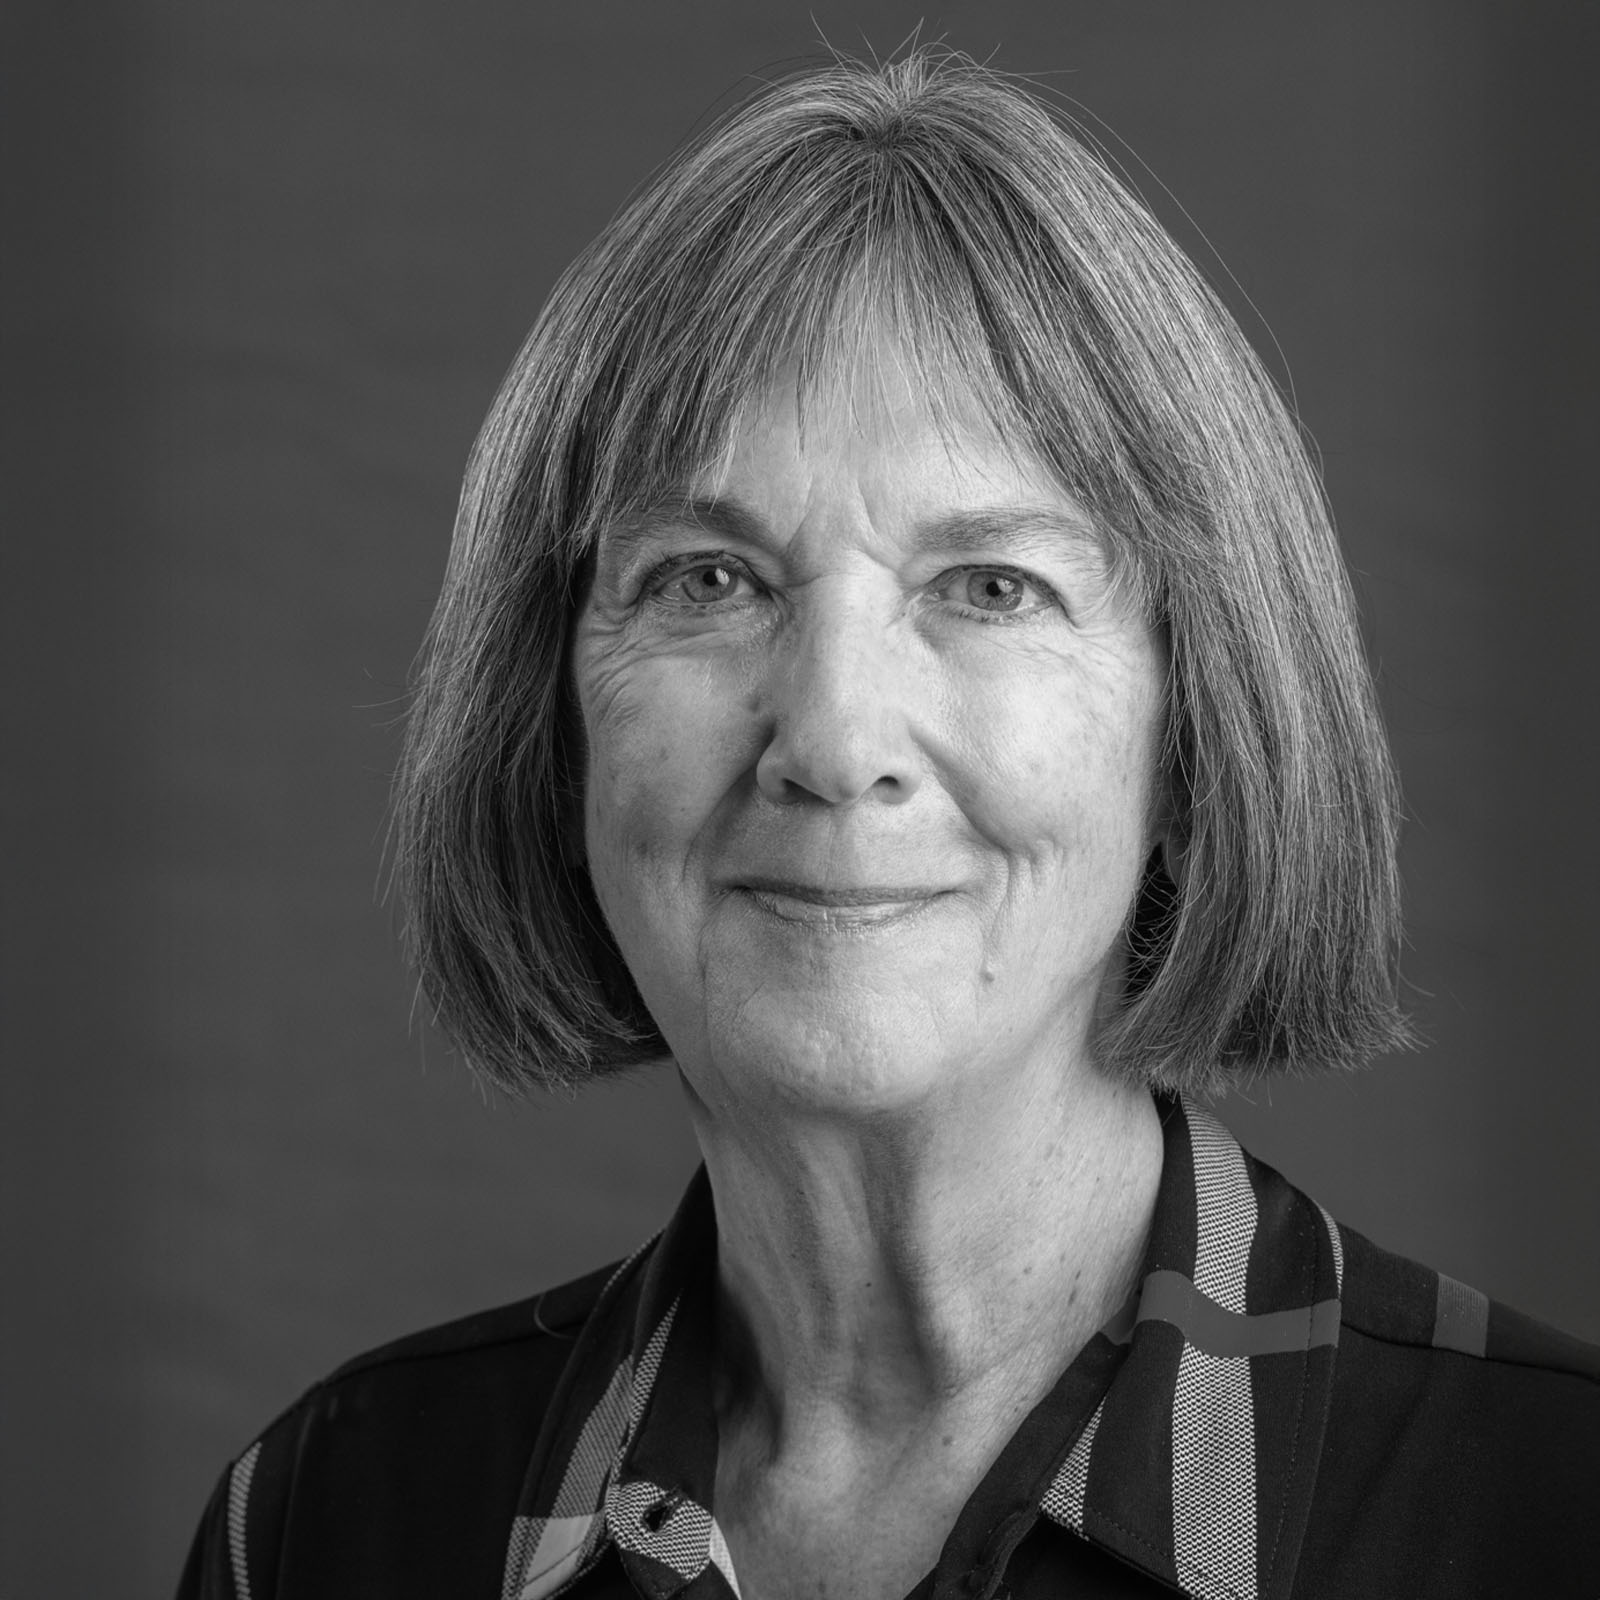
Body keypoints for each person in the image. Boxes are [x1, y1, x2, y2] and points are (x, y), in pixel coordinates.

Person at [178, 50, 1598, 1600]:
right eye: (708, 580)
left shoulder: (1554, 1515)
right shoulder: (328, 1528)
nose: (837, 742)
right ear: (552, 727)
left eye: (989, 587)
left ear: (1196, 730)